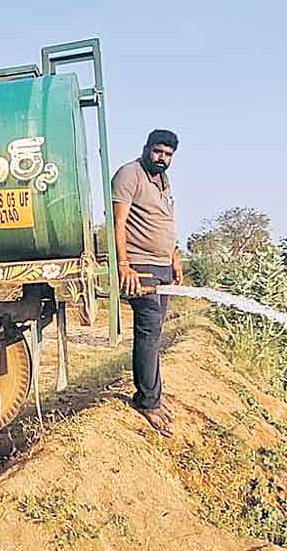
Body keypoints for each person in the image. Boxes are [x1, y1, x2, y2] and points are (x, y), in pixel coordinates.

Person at [111, 129, 184, 436]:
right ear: (146, 148)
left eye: (167, 155)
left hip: (162, 266)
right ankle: (147, 402)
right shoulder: (130, 175)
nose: (162, 158)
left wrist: (174, 255)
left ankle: (152, 396)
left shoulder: (163, 182)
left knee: (155, 333)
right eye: (158, 151)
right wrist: (123, 265)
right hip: (139, 265)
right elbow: (118, 222)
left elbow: (164, 222)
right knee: (148, 329)